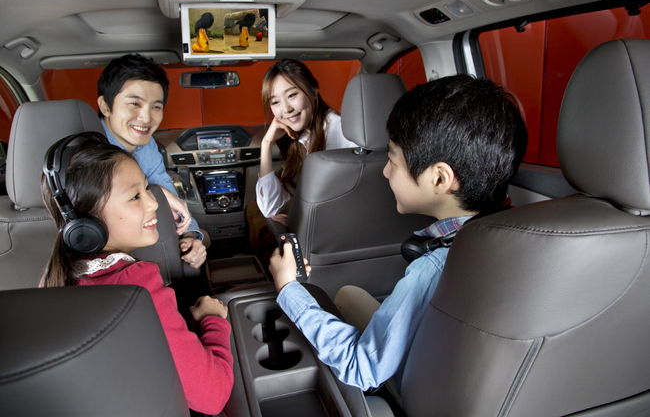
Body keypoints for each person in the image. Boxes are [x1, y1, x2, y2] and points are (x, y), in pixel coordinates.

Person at [268, 74, 528, 392]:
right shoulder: (526, 234)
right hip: (484, 379)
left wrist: (288, 288)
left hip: (415, 388)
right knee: (350, 295)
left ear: (439, 179)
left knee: (344, 296)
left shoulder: (431, 270)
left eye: (392, 159)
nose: (385, 170)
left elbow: (361, 368)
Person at [40, 135, 233, 414]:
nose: (154, 204)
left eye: (147, 189)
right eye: (135, 196)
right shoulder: (136, 283)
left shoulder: (53, 277)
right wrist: (213, 320)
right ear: (86, 220)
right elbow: (213, 396)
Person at [96, 53, 208, 268]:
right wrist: (156, 192)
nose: (146, 118)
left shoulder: (147, 146)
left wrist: (191, 236)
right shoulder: (88, 149)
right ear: (105, 106)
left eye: (156, 107)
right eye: (134, 104)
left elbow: (173, 202)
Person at [256, 59, 356, 220]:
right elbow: (271, 209)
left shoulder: (341, 131)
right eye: (275, 102)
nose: (286, 109)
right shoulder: (300, 137)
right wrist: (266, 143)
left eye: (292, 95)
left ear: (313, 91)